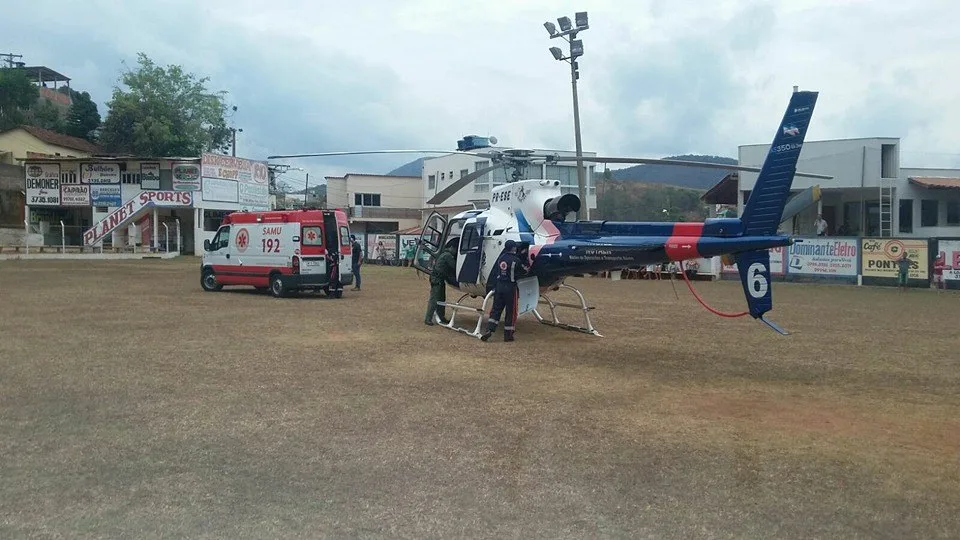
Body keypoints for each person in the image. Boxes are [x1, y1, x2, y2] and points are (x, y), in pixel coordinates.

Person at [480, 240, 530, 342]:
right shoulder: (516, 260)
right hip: (510, 288)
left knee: (496, 309)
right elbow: (524, 271)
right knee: (511, 311)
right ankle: (508, 335)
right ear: (513, 248)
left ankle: (490, 329)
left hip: (499, 286)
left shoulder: (501, 258)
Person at [424, 240, 457, 325]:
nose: (456, 251)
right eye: (455, 249)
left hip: (439, 278)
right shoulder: (448, 256)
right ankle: (428, 319)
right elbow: (454, 266)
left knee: (442, 299)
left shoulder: (444, 254)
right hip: (437, 279)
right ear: (451, 248)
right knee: (434, 299)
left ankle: (441, 317)